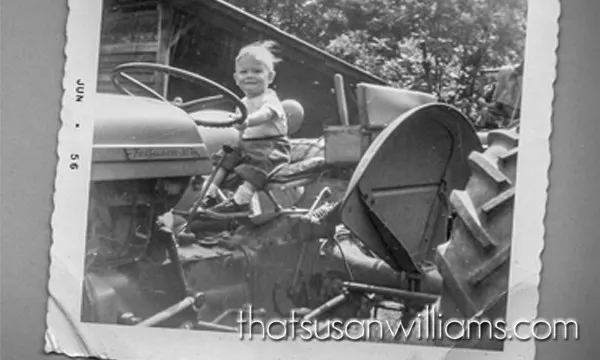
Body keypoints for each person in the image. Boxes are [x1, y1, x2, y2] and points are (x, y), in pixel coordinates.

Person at [203, 40, 291, 216]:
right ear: (236, 79)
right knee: (224, 155)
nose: (249, 75)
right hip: (248, 144)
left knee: (260, 161)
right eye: (244, 72)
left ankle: (242, 199)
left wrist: (247, 121)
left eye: (257, 71)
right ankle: (209, 192)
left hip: (272, 145)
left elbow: (266, 114)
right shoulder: (242, 103)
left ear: (270, 77)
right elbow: (241, 131)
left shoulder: (269, 98)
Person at [477, 61, 523, 129]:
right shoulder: (509, 80)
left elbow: (495, 105)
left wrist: (484, 103)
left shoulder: (511, 88)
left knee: (485, 111)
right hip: (509, 115)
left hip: (513, 117)